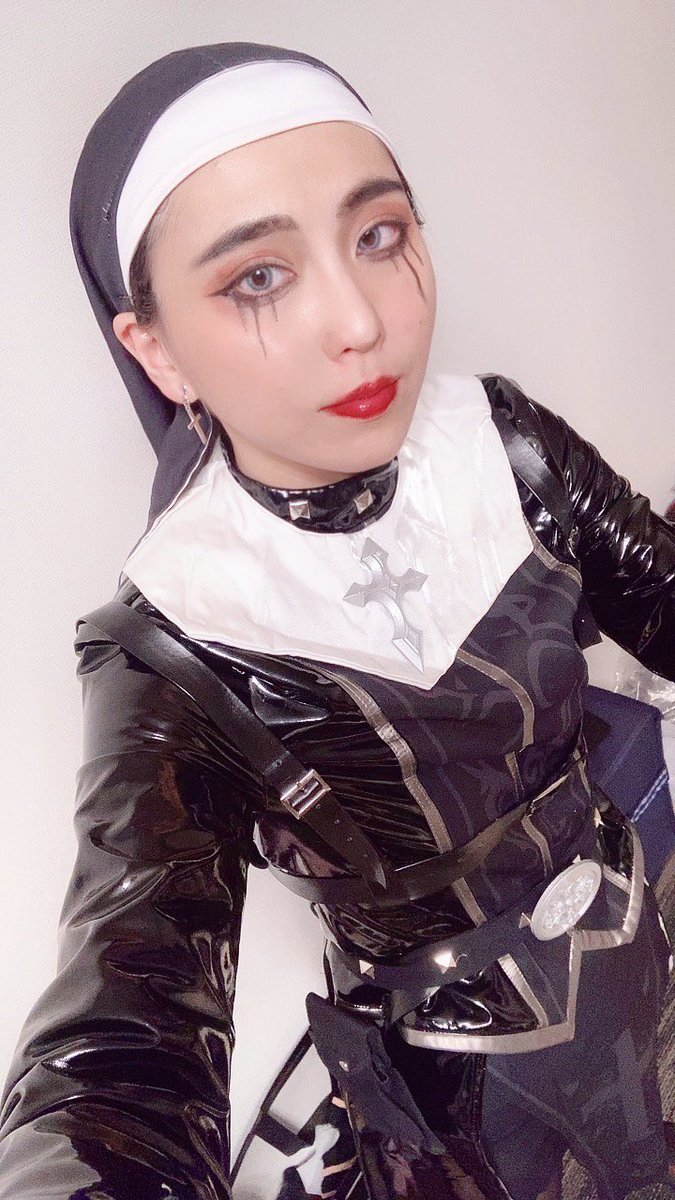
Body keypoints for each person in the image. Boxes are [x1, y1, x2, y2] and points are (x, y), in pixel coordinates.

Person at [0, 40, 673, 1200]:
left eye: (379, 235)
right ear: (155, 348)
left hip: (644, 923)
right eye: (259, 277)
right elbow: (121, 1043)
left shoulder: (501, 441)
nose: (360, 321)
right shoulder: (173, 644)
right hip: (466, 1096)